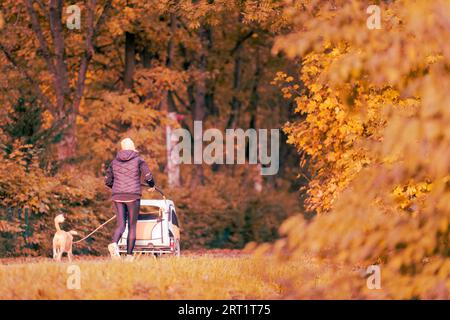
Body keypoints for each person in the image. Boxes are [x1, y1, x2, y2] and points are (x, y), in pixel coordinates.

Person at [104, 138, 155, 261]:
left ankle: (114, 243)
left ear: (121, 148)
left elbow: (107, 181)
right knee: (132, 226)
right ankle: (129, 256)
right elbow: (148, 176)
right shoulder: (139, 160)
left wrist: (116, 188)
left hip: (117, 196)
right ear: (133, 147)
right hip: (133, 196)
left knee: (121, 225)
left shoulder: (114, 162)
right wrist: (152, 185)